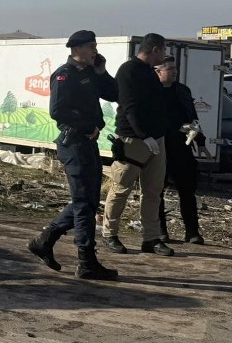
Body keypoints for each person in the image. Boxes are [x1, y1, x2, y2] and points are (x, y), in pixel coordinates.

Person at [28, 30, 119, 280]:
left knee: (88, 201)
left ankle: (44, 241)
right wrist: (87, 126)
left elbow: (115, 95)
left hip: (88, 144)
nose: (95, 50)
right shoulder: (64, 75)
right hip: (74, 143)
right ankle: (86, 261)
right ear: (76, 49)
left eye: (95, 46)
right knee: (83, 203)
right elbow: (57, 111)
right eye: (91, 46)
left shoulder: (90, 73)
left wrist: (102, 72)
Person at [103, 33, 173, 257]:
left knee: (153, 192)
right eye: (163, 50)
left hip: (156, 140)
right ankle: (109, 234)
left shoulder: (150, 72)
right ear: (155, 50)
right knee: (121, 188)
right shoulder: (129, 70)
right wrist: (143, 136)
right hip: (133, 139)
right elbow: (129, 106)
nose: (164, 55)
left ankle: (151, 238)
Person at [155, 56, 208, 245]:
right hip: (159, 146)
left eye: (175, 68)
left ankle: (192, 232)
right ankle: (160, 231)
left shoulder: (182, 91)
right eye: (170, 69)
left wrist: (200, 141)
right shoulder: (152, 91)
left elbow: (193, 117)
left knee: (187, 190)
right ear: (158, 72)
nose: (174, 72)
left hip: (182, 147)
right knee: (157, 190)